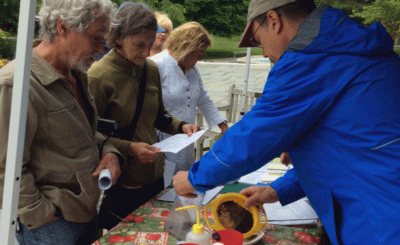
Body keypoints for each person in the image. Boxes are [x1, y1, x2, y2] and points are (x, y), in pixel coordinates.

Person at [172, 0, 400, 244]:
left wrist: (194, 178)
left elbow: (254, 136)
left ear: (274, 21)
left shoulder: (311, 59)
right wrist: (278, 190)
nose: (264, 54)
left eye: (259, 41)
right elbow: (345, 152)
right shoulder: (346, 48)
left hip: (380, 219)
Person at [0, 0, 123, 244]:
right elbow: (4, 167)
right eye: (96, 37)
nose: (101, 48)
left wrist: (109, 152)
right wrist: (42, 214)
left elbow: (82, 134)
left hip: (81, 213)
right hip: (52, 226)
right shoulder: (17, 83)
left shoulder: (74, 73)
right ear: (63, 27)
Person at [87, 2, 199, 230]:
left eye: (150, 44)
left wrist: (182, 127)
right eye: (139, 45)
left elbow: (159, 116)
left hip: (155, 175)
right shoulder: (98, 77)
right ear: (118, 37)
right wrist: (129, 147)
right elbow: (88, 134)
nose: (146, 52)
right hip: (123, 182)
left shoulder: (150, 69)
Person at [150, 21, 228, 174]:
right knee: (163, 187)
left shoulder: (191, 69)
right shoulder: (156, 65)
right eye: (198, 54)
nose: (199, 59)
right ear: (186, 48)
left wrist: (223, 127)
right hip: (160, 143)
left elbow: (203, 98)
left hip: (185, 141)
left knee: (184, 183)